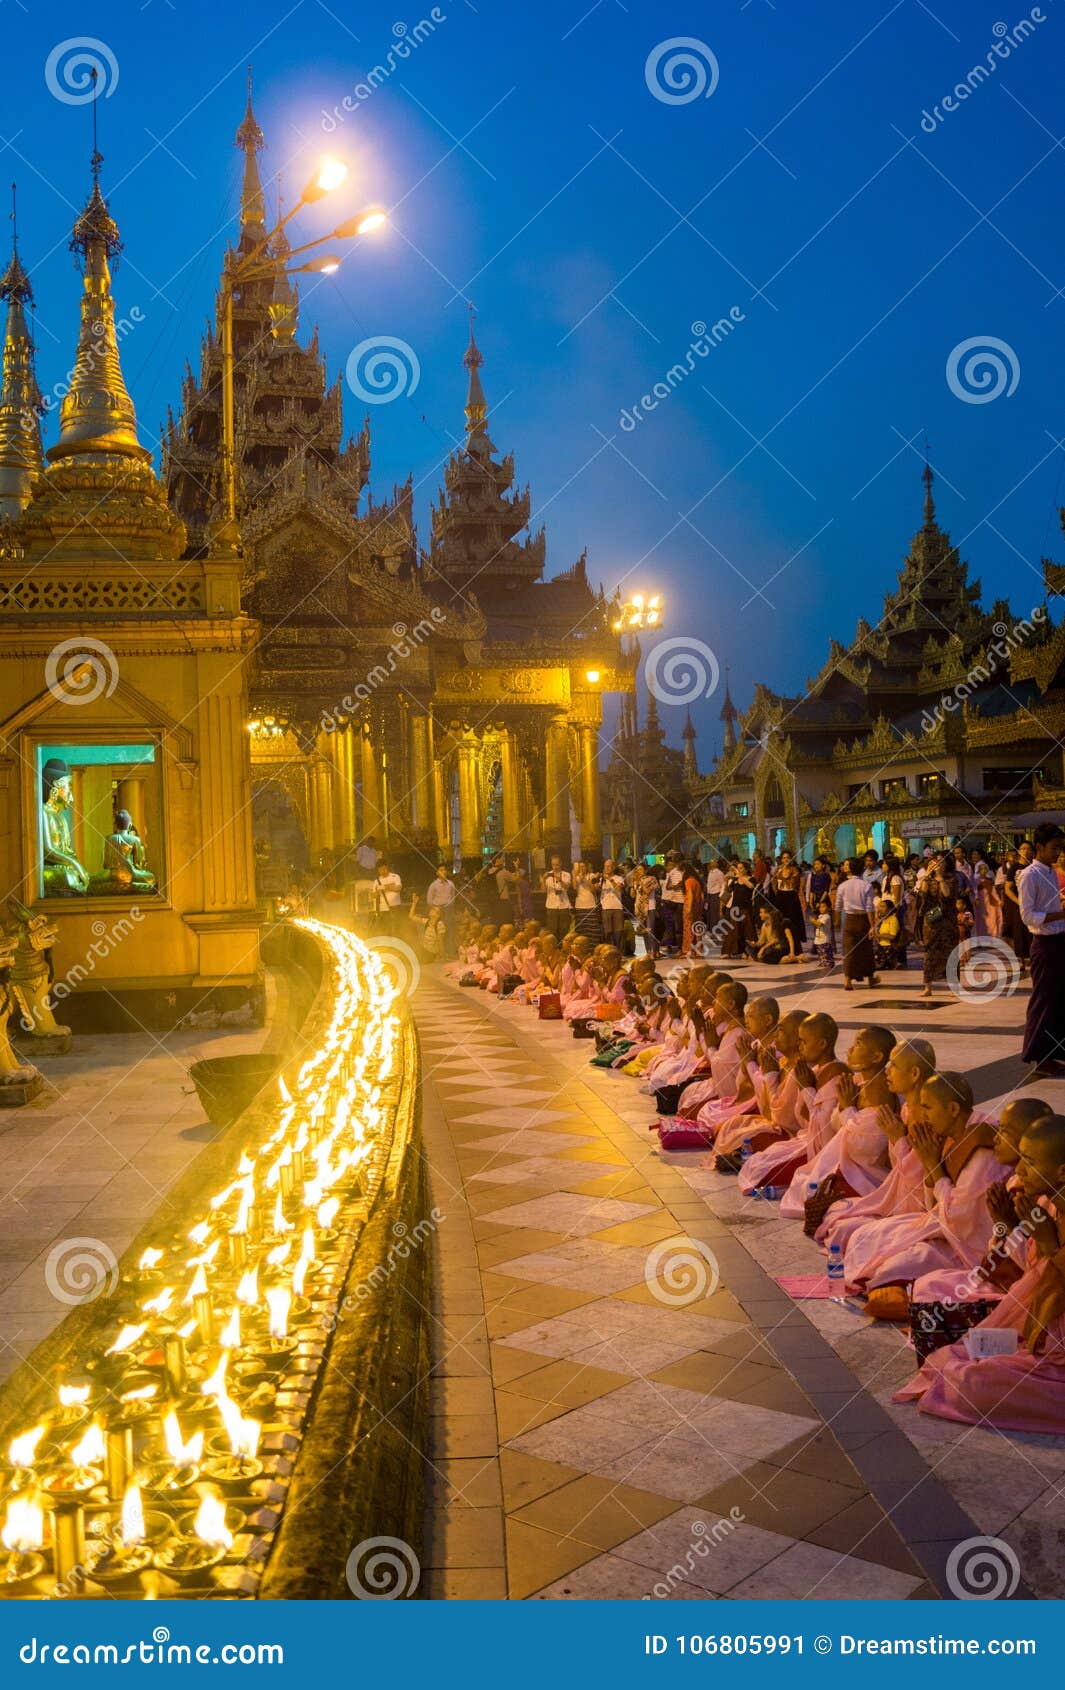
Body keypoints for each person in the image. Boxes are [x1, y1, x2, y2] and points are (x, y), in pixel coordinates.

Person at [894, 1111, 1065, 1435]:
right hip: (1034, 1333)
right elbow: (1028, 1273)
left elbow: (964, 1227)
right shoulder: (1049, 1204)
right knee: (961, 1351)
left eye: (1029, 1161)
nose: (1019, 1169)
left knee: (971, 1381)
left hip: (1056, 1356)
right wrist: (1011, 1227)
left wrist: (1048, 1247)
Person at [1020, 822, 1065, 1079]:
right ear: (1039, 847)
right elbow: (1028, 916)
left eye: (1060, 848)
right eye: (1054, 848)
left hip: (1060, 940)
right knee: (1044, 1000)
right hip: (1044, 945)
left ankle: (1055, 1050)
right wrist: (1059, 912)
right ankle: (1039, 1055)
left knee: (1059, 1000)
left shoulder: (1050, 872)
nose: (1058, 853)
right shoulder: (1030, 875)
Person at [917, 855, 959, 999]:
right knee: (930, 953)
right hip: (931, 920)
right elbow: (922, 894)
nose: (937, 865)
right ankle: (928, 986)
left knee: (950, 952)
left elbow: (947, 895)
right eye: (934, 862)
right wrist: (927, 876)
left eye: (941, 862)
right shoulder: (927, 879)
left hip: (948, 921)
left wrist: (940, 878)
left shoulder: (952, 879)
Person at [834, 861, 878, 990]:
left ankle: (847, 979)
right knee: (866, 950)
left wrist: (836, 921)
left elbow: (837, 906)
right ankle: (870, 978)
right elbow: (870, 907)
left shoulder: (842, 886)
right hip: (863, 919)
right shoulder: (866, 885)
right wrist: (872, 925)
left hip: (849, 919)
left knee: (849, 950)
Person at [425, 864, 457, 958]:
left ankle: (450, 952)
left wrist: (449, 905)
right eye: (441, 870)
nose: (443, 872)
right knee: (439, 932)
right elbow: (429, 900)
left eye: (444, 870)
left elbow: (453, 896)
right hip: (437, 910)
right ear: (437, 873)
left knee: (450, 930)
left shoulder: (451, 883)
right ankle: (439, 953)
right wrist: (435, 909)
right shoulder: (433, 885)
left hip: (448, 909)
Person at [541, 856, 573, 940]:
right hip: (551, 906)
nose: (555, 867)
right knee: (552, 930)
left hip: (564, 906)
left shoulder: (566, 874)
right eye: (553, 865)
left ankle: (563, 949)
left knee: (564, 930)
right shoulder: (548, 875)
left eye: (557, 865)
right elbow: (543, 891)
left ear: (561, 864)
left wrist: (559, 880)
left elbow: (567, 887)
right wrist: (543, 880)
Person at [660, 854, 685, 953]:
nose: (671, 866)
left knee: (680, 926)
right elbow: (667, 887)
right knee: (672, 925)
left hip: (681, 901)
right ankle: (673, 945)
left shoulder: (683, 871)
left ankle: (681, 947)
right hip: (671, 902)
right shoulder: (670, 873)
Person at [599, 859, 625, 946]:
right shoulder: (601, 879)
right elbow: (595, 889)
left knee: (618, 932)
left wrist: (610, 879)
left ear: (613, 867)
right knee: (607, 932)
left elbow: (619, 889)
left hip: (617, 907)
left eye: (609, 866)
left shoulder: (619, 878)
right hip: (605, 908)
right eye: (605, 866)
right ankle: (609, 952)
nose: (607, 868)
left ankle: (618, 953)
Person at [372, 859, 403, 930]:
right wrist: (377, 891)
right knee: (385, 929)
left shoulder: (395, 876)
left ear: (387, 867)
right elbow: (373, 896)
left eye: (383, 869)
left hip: (395, 908)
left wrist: (386, 887)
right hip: (383, 909)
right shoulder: (376, 881)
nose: (382, 871)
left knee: (396, 928)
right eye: (380, 870)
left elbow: (398, 888)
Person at [705, 859, 725, 936]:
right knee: (709, 912)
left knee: (715, 913)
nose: (711, 863)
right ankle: (710, 928)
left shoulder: (719, 873)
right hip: (710, 894)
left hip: (716, 894)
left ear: (716, 864)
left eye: (713, 862)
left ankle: (716, 930)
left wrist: (720, 896)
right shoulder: (710, 872)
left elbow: (722, 885)